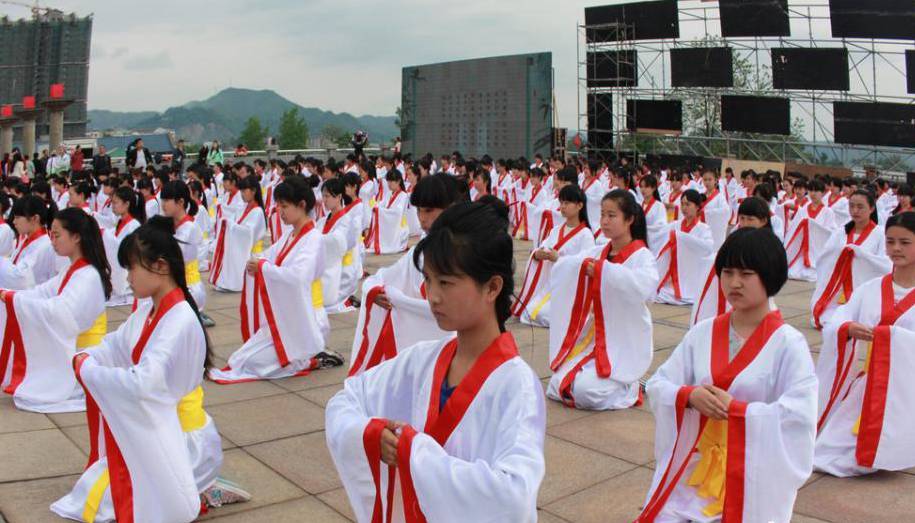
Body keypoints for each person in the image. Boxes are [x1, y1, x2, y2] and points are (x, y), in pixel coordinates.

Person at [326, 199, 546, 522]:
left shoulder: (517, 385)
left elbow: (512, 495)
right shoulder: (423, 360)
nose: (432, 296)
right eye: (428, 280)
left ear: (492, 287)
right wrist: (370, 434)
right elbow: (346, 399)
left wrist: (413, 453)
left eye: (446, 282)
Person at [51, 217, 249, 522]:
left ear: (160, 266)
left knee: (106, 499)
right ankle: (199, 486)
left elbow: (144, 383)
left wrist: (90, 371)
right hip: (156, 426)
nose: (127, 277)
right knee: (91, 490)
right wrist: (87, 356)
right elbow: (116, 345)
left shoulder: (180, 318)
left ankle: (199, 487)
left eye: (132, 267)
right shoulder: (150, 309)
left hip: (182, 436)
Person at [638, 227, 816, 523]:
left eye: (746, 274)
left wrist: (739, 412)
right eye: (727, 272)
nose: (734, 283)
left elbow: (799, 415)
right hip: (695, 467)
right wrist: (688, 396)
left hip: (752, 473)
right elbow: (659, 384)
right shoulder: (703, 332)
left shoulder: (789, 343)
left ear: (770, 276)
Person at [210, 177, 342, 383]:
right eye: (279, 206)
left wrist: (263, 267)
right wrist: (258, 262)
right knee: (239, 358)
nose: (280, 212)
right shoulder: (292, 235)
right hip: (288, 315)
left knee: (255, 363)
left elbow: (299, 276)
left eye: (284, 206)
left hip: (308, 319)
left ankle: (312, 359)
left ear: (301, 205)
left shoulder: (313, 238)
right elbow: (270, 255)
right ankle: (307, 356)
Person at [814, 212, 915, 477]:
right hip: (870, 383)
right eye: (890, 241)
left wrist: (894, 340)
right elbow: (838, 319)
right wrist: (847, 329)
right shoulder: (870, 289)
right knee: (827, 450)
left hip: (908, 388)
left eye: (905, 242)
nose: (895, 249)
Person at [547, 189, 659, 410]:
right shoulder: (599, 251)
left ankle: (631, 386)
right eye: (602, 215)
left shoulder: (642, 256)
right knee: (556, 384)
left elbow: (645, 286)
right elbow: (569, 264)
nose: (605, 221)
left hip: (621, 337)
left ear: (629, 220)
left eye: (612, 215)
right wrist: (562, 261)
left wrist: (602, 271)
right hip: (594, 335)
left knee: (586, 392)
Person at [0, 208, 110, 413]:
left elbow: (60, 313)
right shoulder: (73, 269)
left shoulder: (87, 275)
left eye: (57, 235)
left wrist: (15, 299)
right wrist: (9, 296)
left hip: (84, 351)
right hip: (72, 345)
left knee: (36, 394)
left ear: (76, 237)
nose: (52, 240)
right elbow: (42, 292)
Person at [349, 174, 459, 377]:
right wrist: (374, 289)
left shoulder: (464, 249)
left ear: (450, 207)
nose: (422, 218)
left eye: (429, 210)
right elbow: (387, 275)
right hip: (424, 333)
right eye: (418, 211)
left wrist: (402, 301)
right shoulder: (423, 248)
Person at [513, 185, 594, 327]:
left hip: (571, 289)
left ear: (579, 205)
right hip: (552, 285)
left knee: (542, 314)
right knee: (529, 311)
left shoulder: (586, 235)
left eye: (567, 203)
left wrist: (559, 259)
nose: (562, 207)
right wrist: (537, 254)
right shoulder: (556, 230)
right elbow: (543, 247)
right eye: (561, 202)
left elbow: (586, 263)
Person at [691, 197, 779, 327]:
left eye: (750, 219)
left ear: (763, 221)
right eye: (742, 218)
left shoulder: (769, 244)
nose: (744, 223)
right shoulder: (735, 235)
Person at [811, 190, 891, 329]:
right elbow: (825, 257)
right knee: (829, 318)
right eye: (852, 206)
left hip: (864, 290)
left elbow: (885, 264)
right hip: (838, 289)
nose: (855, 210)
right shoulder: (841, 232)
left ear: (871, 208)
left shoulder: (880, 233)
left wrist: (860, 255)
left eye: (860, 207)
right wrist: (843, 255)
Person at [160, 181, 209, 324]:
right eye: (163, 200)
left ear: (180, 202)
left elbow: (174, 256)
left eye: (167, 200)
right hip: (175, 284)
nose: (163, 204)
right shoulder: (171, 225)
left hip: (188, 288)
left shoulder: (189, 228)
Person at [656, 190, 715, 305]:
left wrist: (682, 238)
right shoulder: (675, 225)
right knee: (664, 292)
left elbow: (708, 247)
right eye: (682, 204)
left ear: (697, 207)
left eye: (688, 204)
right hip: (676, 272)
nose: (684, 207)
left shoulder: (703, 228)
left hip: (692, 272)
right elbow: (660, 236)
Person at [209, 175, 266, 292]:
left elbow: (249, 232)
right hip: (241, 246)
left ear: (254, 191)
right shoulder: (244, 207)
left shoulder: (258, 211)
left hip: (252, 252)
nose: (242, 194)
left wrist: (231, 225)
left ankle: (232, 282)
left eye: (244, 191)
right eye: (241, 191)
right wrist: (230, 223)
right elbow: (236, 221)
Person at [318, 178, 362, 314]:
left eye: (327, 196)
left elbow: (337, 241)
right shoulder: (323, 220)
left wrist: (314, 240)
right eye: (323, 196)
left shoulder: (347, 221)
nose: (324, 200)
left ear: (338, 197)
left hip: (341, 271)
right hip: (327, 265)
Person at [0, 196, 62, 289]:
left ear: (35, 218)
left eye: (17, 217)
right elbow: (14, 265)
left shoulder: (45, 246)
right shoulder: (27, 240)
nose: (14, 222)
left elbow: (20, 278)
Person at [785, 179, 838, 282]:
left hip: (818, 248)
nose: (813, 194)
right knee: (793, 272)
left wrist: (813, 228)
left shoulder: (828, 212)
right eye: (811, 191)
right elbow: (795, 228)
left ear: (822, 193)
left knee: (813, 274)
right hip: (803, 247)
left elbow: (830, 232)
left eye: (816, 191)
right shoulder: (803, 209)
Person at [102, 187, 145, 306]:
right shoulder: (121, 221)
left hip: (127, 270)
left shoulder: (133, 225)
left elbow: (122, 248)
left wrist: (105, 235)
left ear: (126, 204)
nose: (113, 206)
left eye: (115, 202)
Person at [363, 169, 409, 255]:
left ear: (398, 181)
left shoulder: (404, 195)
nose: (389, 184)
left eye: (391, 181)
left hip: (398, 225)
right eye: (388, 181)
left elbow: (397, 213)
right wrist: (375, 207)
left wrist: (380, 210)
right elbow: (381, 204)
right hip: (389, 223)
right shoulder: (389, 194)